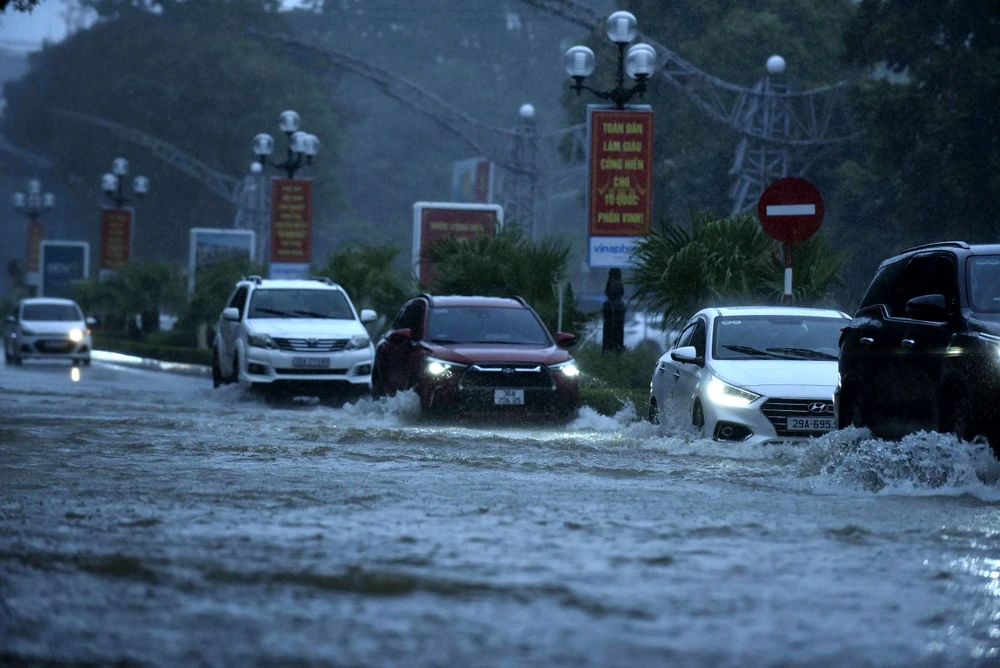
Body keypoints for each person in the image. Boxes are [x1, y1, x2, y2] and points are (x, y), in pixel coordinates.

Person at [602, 268, 626, 354]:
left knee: (612, 336)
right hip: (615, 338)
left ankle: (613, 351)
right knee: (616, 336)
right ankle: (616, 350)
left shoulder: (611, 304)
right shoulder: (620, 304)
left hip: (611, 338)